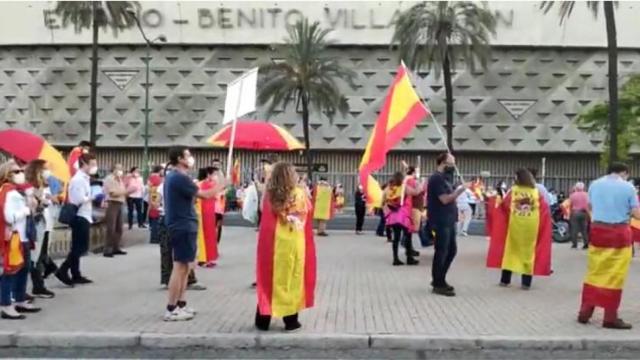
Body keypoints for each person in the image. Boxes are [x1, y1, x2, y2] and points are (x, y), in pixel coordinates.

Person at [163, 146, 224, 321]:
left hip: (184, 224)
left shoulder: (177, 177)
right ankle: (171, 308)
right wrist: (221, 185)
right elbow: (204, 195)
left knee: (185, 267)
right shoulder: (178, 177)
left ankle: (181, 304)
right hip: (182, 225)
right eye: (188, 155)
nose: (191, 158)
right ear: (180, 158)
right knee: (180, 266)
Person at [577, 163, 640, 330]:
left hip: (598, 231)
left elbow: (589, 208)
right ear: (624, 173)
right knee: (614, 275)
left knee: (595, 271)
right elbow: (636, 214)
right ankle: (610, 317)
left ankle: (585, 312)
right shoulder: (628, 187)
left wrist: (598, 219)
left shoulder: (595, 184)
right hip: (619, 233)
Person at [255, 162, 316, 332]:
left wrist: (266, 187)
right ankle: (290, 321)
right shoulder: (299, 193)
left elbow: (261, 210)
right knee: (292, 278)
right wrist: (304, 190)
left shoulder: (269, 194)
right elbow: (307, 211)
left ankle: (262, 319)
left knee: (269, 278)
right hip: (293, 242)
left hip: (272, 243)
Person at [487, 168, 552, 290]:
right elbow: (544, 209)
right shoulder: (536, 192)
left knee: (510, 251)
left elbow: (505, 206)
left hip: (514, 226)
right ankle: (526, 283)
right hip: (531, 228)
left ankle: (505, 280)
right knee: (528, 254)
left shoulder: (514, 191)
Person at [0, 160, 41, 318]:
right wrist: (25, 209)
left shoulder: (16, 191)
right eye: (16, 172)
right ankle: (6, 304)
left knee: (23, 270)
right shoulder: (9, 192)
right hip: (15, 238)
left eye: (20, 170)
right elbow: (9, 217)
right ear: (7, 175)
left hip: (22, 236)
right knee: (10, 272)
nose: (21, 174)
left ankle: (19, 299)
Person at [427, 153, 468, 296]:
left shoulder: (445, 179)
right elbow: (444, 199)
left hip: (449, 220)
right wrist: (460, 191)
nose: (454, 167)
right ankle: (438, 283)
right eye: (452, 163)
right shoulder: (436, 178)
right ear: (443, 163)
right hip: (441, 220)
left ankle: (440, 279)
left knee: (451, 250)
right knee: (442, 251)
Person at [55, 153, 97, 287]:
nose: (94, 167)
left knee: (79, 245)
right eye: (92, 164)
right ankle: (63, 269)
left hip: (85, 214)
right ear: (83, 164)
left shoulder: (85, 178)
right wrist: (92, 198)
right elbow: (78, 199)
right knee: (80, 246)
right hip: (79, 215)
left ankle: (76, 273)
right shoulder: (78, 179)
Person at [25, 160, 57, 298]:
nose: (47, 172)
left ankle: (39, 285)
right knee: (33, 258)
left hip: (45, 224)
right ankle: (38, 286)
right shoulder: (31, 187)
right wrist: (41, 203)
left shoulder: (44, 185)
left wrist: (47, 199)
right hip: (36, 225)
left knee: (39, 257)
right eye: (44, 169)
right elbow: (33, 209)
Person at [384, 171, 419, 266]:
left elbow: (383, 199)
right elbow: (416, 192)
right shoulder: (404, 187)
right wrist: (420, 184)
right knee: (408, 236)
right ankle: (409, 258)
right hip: (403, 215)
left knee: (396, 237)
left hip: (393, 215)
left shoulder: (389, 188)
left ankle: (395, 259)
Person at [102, 164, 129, 257]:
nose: (120, 170)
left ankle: (116, 247)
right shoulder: (109, 179)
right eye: (118, 168)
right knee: (111, 227)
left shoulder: (120, 180)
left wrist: (125, 192)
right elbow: (113, 193)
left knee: (119, 227)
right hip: (112, 203)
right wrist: (127, 192)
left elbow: (121, 192)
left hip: (120, 203)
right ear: (113, 169)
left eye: (121, 168)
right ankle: (108, 249)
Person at [196, 167, 220, 268]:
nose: (216, 176)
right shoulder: (205, 184)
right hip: (204, 212)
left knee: (206, 236)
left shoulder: (200, 183)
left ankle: (204, 258)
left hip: (206, 212)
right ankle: (204, 258)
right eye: (214, 174)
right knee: (206, 236)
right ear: (208, 175)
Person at [569, 182, 590, 249]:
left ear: (576, 187)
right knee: (584, 229)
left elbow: (570, 205)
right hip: (584, 213)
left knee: (574, 229)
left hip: (575, 213)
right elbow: (588, 205)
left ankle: (574, 244)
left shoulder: (572, 195)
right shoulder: (587, 195)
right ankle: (586, 244)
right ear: (583, 187)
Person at [147, 165, 164, 244]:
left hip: (155, 197)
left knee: (155, 218)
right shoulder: (156, 177)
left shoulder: (152, 177)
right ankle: (154, 237)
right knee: (155, 219)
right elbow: (152, 189)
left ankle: (155, 237)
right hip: (156, 197)